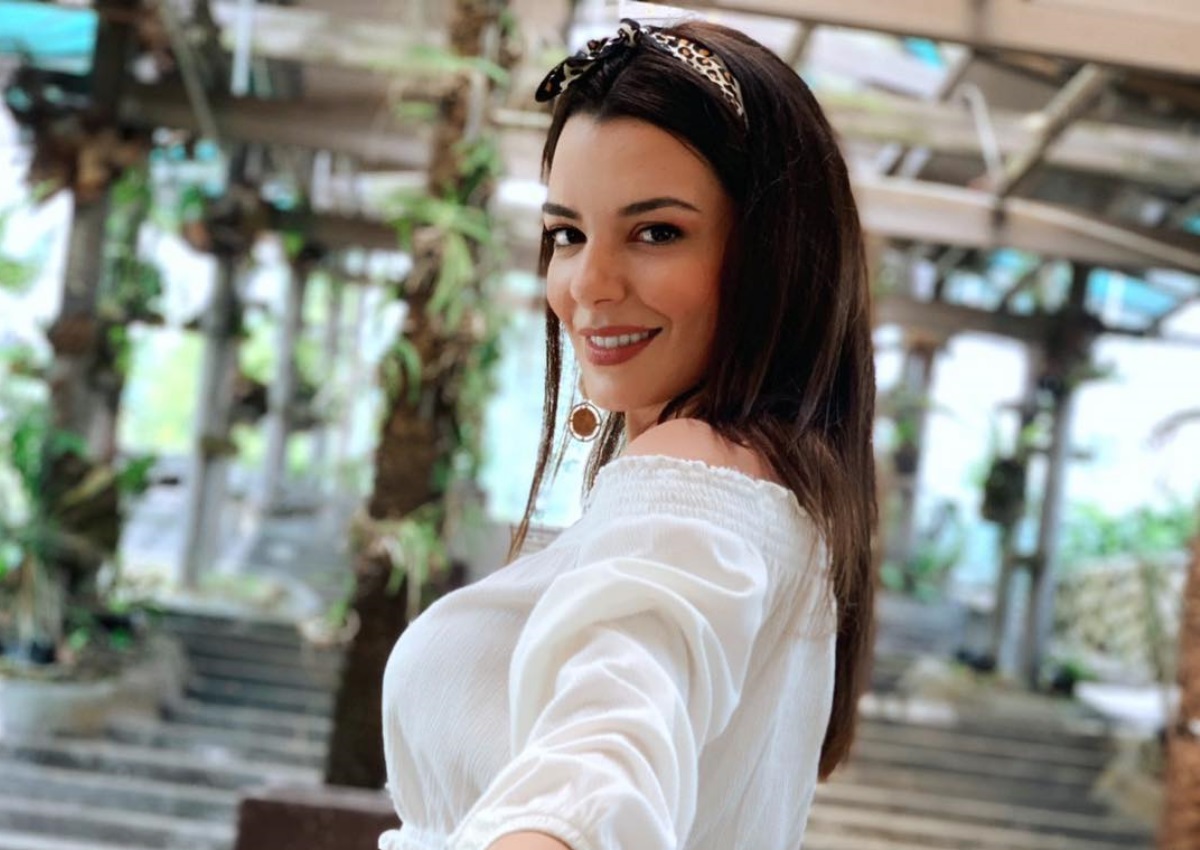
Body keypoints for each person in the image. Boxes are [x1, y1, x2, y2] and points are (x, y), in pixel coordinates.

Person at [379, 17, 876, 850]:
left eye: (657, 232)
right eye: (567, 234)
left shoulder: (695, 485)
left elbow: (598, 774)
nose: (589, 284)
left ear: (774, 255)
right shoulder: (775, 496)